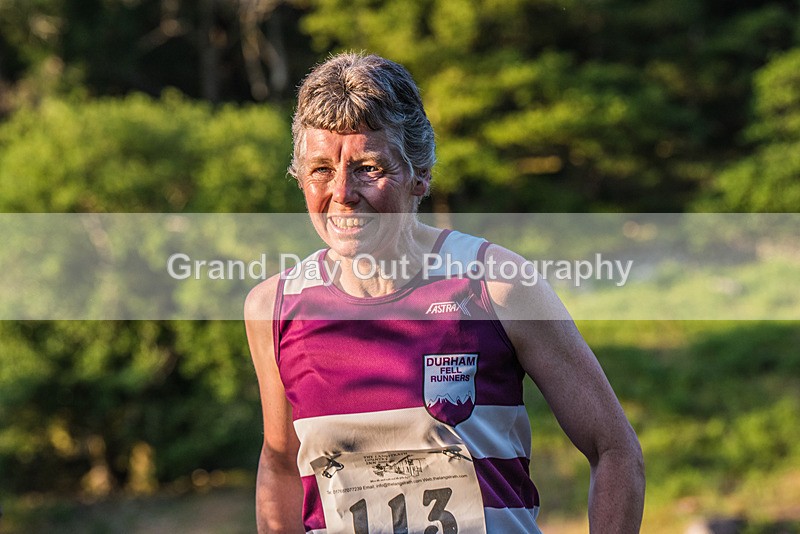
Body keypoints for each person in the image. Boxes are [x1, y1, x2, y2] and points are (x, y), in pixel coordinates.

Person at [245, 52, 645, 533]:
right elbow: (281, 465)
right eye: (321, 169)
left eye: (368, 167)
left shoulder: (496, 284)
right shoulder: (274, 308)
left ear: (421, 175)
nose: (343, 192)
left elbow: (615, 450)